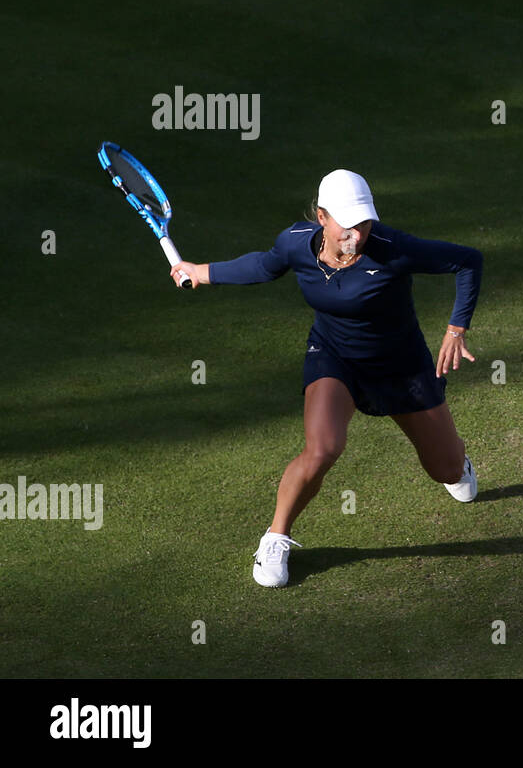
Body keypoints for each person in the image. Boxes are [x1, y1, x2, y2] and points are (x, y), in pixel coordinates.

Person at [169, 169, 484, 587]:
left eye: (364, 223)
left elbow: (468, 260)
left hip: (401, 365)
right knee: (323, 448)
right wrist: (201, 271)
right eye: (347, 224)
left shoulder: (395, 249)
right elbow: (264, 266)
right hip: (334, 357)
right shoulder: (296, 244)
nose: (357, 233)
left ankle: (457, 462)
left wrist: (455, 329)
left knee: (445, 471)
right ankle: (276, 537)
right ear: (322, 217)